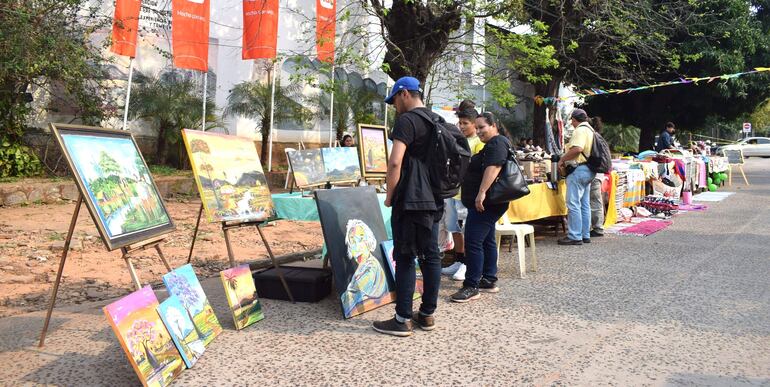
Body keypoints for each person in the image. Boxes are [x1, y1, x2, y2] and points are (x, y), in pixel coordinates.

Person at [373, 76, 444, 336]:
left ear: (404, 93)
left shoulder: (406, 121)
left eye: (394, 101)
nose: (394, 106)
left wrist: (390, 195)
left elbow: (395, 163)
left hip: (411, 199)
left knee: (404, 256)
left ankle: (402, 319)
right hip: (434, 200)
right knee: (431, 255)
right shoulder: (438, 120)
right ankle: (426, 315)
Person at [451, 111, 512, 303]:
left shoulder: (497, 142)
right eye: (476, 128)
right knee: (486, 240)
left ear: (493, 125)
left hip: (488, 202)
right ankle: (488, 278)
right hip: (489, 202)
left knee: (473, 240)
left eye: (481, 127)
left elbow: (494, 167)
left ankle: (471, 285)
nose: (478, 131)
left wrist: (481, 192)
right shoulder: (493, 143)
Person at [441, 108, 484, 281]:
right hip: (454, 191)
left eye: (466, 123)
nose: (462, 126)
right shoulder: (458, 140)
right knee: (454, 228)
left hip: (468, 194)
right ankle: (459, 259)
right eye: (460, 123)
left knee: (467, 231)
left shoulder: (478, 143)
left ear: (475, 124)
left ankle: (468, 264)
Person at [557, 108, 595, 245]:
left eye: (572, 121)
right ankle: (585, 234)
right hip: (590, 170)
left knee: (573, 203)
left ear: (574, 119)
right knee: (584, 204)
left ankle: (574, 236)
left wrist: (562, 159)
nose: (572, 124)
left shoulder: (580, 130)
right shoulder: (591, 130)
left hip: (579, 170)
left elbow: (577, 149)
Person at [589, 116, 605, 237]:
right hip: (599, 172)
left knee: (594, 200)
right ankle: (597, 226)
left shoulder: (592, 137)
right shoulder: (598, 136)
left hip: (594, 172)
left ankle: (598, 227)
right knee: (596, 200)